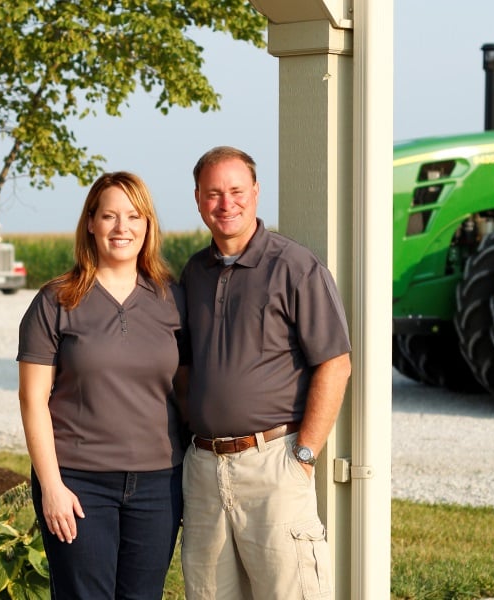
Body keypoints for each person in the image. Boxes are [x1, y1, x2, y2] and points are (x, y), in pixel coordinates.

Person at [179, 146, 353, 599]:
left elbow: (335, 364)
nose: (226, 203)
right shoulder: (194, 272)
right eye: (213, 193)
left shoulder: (295, 267)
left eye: (236, 191)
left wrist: (305, 455)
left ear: (256, 193)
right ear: (198, 198)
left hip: (274, 466)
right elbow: (183, 366)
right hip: (203, 473)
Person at [17, 171, 186, 599]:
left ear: (148, 226)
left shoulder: (173, 300)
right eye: (109, 215)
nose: (121, 227)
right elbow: (32, 399)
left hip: (158, 487)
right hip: (78, 483)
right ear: (90, 223)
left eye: (134, 216)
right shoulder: (56, 301)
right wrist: (51, 486)